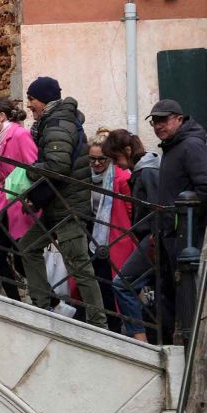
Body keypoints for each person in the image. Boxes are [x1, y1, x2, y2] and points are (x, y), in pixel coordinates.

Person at [16, 76, 107, 327]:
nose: (29, 105)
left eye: (31, 99)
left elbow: (58, 165)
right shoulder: (56, 122)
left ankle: (99, 323)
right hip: (59, 205)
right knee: (28, 246)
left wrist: (28, 171)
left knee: (79, 264)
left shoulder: (57, 123)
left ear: (43, 100)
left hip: (68, 207)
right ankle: (43, 304)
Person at [144, 98, 207, 340]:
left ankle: (195, 348)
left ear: (179, 119)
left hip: (191, 237)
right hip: (176, 234)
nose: (158, 126)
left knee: (192, 297)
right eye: (155, 121)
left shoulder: (189, 145)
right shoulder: (173, 146)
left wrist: (183, 216)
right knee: (177, 295)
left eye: (163, 120)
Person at [106, 129, 162, 341]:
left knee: (123, 283)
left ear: (128, 151)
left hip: (152, 239)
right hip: (151, 237)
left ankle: (139, 339)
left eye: (116, 158)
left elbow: (156, 207)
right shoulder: (147, 170)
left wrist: (155, 238)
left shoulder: (146, 173)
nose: (116, 165)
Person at [0, 97, 37, 300]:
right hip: (7, 204)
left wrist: (30, 197)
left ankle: (49, 301)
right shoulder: (2, 138)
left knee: (19, 259)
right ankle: (18, 301)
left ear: (2, 116)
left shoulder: (19, 135)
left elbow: (33, 165)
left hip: (19, 204)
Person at [84, 137, 135, 332]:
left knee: (111, 282)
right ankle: (98, 323)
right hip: (92, 234)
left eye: (102, 159)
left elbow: (130, 208)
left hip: (115, 235)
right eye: (92, 159)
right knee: (94, 280)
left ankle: (115, 326)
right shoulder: (85, 177)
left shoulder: (121, 178)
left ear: (110, 159)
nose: (96, 163)